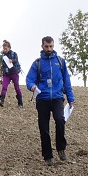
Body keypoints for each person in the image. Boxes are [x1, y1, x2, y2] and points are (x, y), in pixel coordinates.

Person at [24, 36, 74, 165]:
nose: (49, 49)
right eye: (46, 46)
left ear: (53, 45)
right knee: (44, 128)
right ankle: (47, 156)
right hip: (42, 99)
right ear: (42, 46)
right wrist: (32, 86)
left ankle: (61, 149)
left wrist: (70, 98)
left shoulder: (60, 62)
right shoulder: (37, 63)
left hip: (57, 98)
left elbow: (66, 81)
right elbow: (29, 79)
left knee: (60, 120)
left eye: (51, 46)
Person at [0, 40, 22, 107]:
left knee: (17, 88)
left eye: (6, 48)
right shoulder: (3, 56)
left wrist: (12, 60)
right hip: (6, 74)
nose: (5, 50)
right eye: (4, 49)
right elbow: (3, 65)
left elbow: (16, 60)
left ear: (9, 48)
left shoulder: (14, 54)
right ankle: (1, 100)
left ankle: (20, 102)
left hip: (14, 73)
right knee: (4, 87)